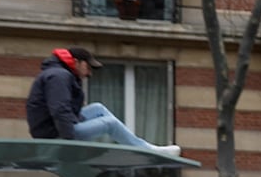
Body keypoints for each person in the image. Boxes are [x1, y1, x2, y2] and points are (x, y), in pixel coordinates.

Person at [24, 46, 180, 154]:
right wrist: (70, 143)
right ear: (77, 62)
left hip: (57, 127)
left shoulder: (60, 74)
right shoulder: (59, 76)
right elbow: (59, 109)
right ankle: (145, 149)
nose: (89, 73)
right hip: (55, 134)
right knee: (109, 124)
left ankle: (140, 143)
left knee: (97, 108)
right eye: (88, 67)